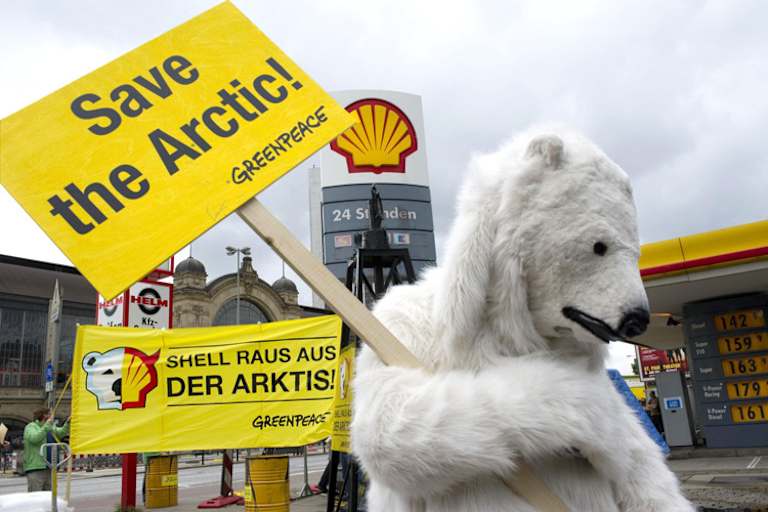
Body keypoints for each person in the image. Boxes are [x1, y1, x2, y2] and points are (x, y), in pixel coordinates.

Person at [23, 408, 68, 492]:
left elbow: (61, 432)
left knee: (50, 496)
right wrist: (46, 426)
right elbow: (34, 438)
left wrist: (68, 424)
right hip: (36, 467)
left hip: (51, 466)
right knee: (36, 496)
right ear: (45, 415)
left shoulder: (49, 427)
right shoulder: (31, 426)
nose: (52, 416)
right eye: (50, 414)